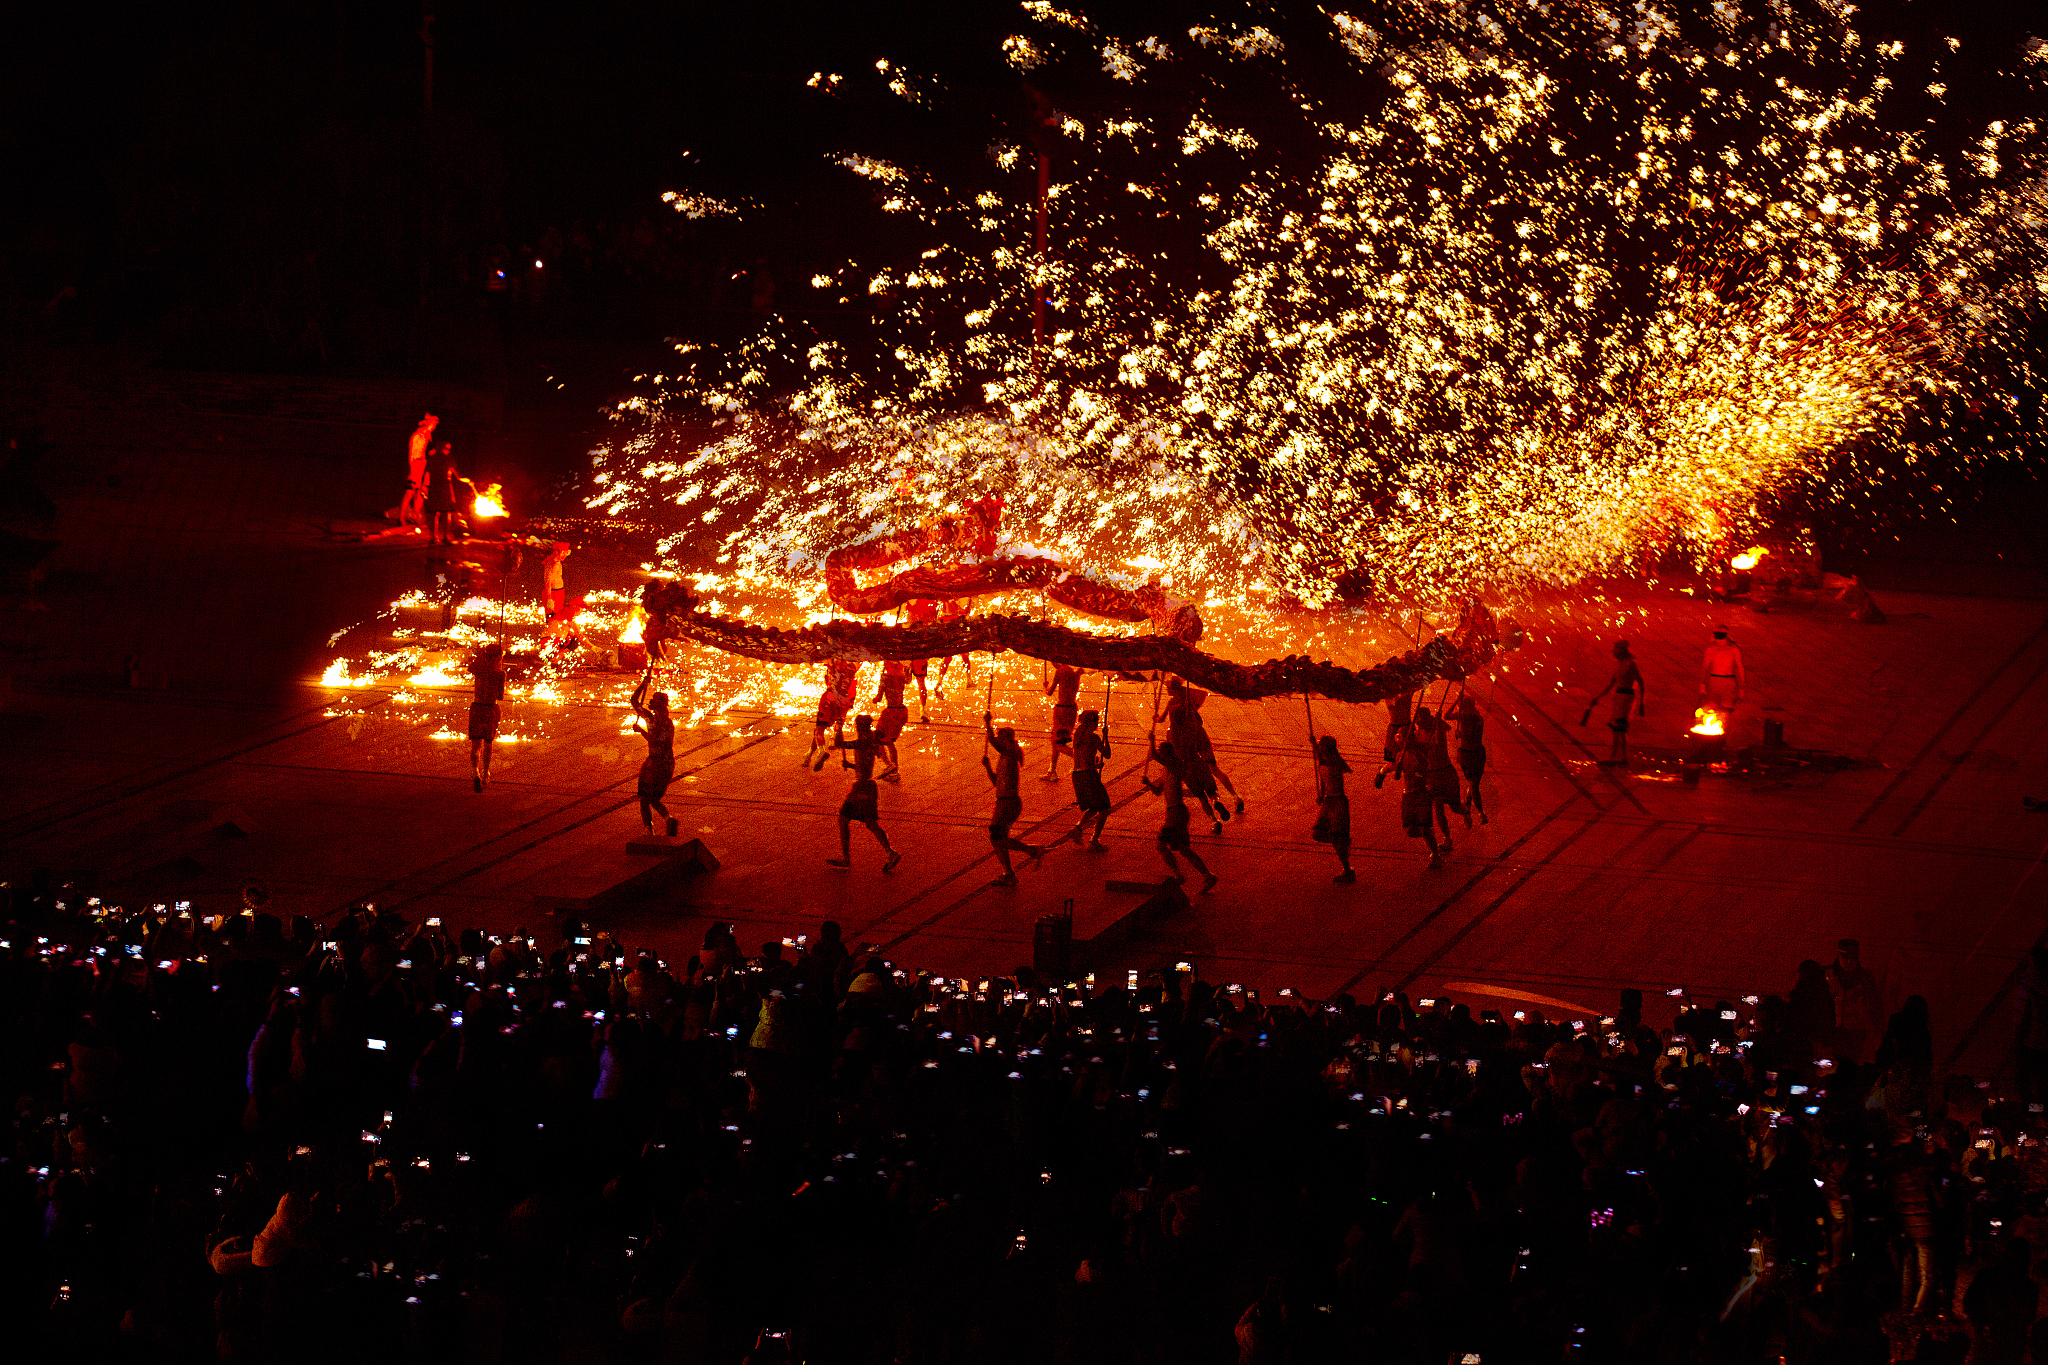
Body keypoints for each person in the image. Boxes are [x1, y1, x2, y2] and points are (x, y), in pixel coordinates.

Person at [825, 714, 902, 873]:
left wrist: (838, 725)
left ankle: (849, 857)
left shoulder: (863, 741)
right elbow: (865, 763)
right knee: (865, 822)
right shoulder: (870, 740)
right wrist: (852, 765)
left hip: (862, 788)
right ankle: (888, 852)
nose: (855, 728)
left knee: (847, 820)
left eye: (857, 725)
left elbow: (840, 744)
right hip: (866, 786)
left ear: (861, 726)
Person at [982, 712, 1045, 884]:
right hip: (1003, 802)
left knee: (998, 837)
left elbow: (993, 742)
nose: (998, 740)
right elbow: (997, 782)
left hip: (1009, 804)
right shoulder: (1004, 756)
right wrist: (988, 768)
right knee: (997, 838)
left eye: (1001, 737)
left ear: (1007, 740)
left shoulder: (1010, 752)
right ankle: (1009, 871)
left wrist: (987, 723)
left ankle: (1030, 852)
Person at [1149, 737, 1218, 892]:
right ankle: (1207, 875)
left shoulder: (1175, 765)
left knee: (1161, 845)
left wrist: (1151, 741)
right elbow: (1158, 791)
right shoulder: (1166, 770)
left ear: (1168, 755)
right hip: (1173, 812)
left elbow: (1154, 755)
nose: (1160, 756)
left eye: (1162, 753)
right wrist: (1148, 784)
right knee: (1184, 849)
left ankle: (1178, 874)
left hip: (1177, 813)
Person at [631, 670, 678, 837]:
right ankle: (668, 818)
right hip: (668, 764)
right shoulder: (669, 722)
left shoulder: (650, 719)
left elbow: (634, 701)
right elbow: (662, 740)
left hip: (654, 764)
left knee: (644, 799)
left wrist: (643, 685)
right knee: (655, 798)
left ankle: (649, 832)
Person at [1584, 640, 1645, 767]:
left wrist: (1641, 703)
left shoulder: (1630, 665)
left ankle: (1616, 758)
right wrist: (1597, 697)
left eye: (1615, 649)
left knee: (1619, 729)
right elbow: (1611, 684)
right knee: (1617, 729)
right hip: (1619, 697)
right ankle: (1621, 758)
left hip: (1626, 698)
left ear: (1621, 651)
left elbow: (1640, 682)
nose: (1613, 651)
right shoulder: (1619, 665)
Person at [1059, 710, 1113, 850]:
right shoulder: (1093, 738)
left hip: (1077, 775)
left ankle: (1078, 829)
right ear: (1092, 722)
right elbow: (1107, 754)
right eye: (1097, 721)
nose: (1097, 724)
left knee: (1094, 807)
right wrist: (1106, 737)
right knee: (1104, 807)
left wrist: (1095, 765)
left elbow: (1083, 757)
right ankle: (1094, 840)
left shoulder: (1078, 736)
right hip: (1089, 775)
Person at [1395, 720, 1443, 869]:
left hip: (1421, 794)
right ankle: (1429, 834)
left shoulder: (1420, 754)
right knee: (1410, 829)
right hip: (1408, 794)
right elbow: (1397, 776)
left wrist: (1415, 773)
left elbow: (1423, 773)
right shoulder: (1400, 755)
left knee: (1424, 828)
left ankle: (1435, 854)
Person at [1825, 938, 1883, 1063]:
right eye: (1845, 958)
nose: (1849, 962)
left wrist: (1878, 1035)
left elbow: (1876, 1008)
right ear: (1838, 955)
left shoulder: (1866, 979)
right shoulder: (1826, 975)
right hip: (1830, 1034)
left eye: (1853, 958)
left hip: (1856, 1036)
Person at [1312, 734, 1355, 883]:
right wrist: (1322, 794)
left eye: (1322, 746)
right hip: (1329, 801)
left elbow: (1332, 765)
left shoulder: (1334, 762)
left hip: (1338, 802)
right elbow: (1324, 779)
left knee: (1337, 838)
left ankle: (1347, 868)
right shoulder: (1324, 760)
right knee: (1317, 833)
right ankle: (1342, 841)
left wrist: (1315, 747)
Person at [807, 657, 861, 771]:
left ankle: (821, 751)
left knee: (819, 728)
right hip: (844, 699)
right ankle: (835, 736)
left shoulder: (831, 660)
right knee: (836, 724)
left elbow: (816, 659)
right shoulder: (853, 666)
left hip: (830, 696)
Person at [467, 642, 505, 793]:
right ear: (498, 658)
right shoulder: (500, 674)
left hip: (477, 707)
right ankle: (485, 772)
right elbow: (500, 696)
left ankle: (474, 770)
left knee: (476, 745)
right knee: (488, 743)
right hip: (491, 708)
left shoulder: (478, 670)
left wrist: (483, 656)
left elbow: (471, 666)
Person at [870, 660, 911, 781]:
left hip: (890, 712)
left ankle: (889, 765)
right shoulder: (902, 676)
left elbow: (878, 697)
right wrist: (908, 669)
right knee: (890, 742)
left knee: (878, 738)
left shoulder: (885, 677)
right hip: (902, 712)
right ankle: (895, 772)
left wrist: (874, 699)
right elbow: (909, 681)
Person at [1699, 624, 1745, 731]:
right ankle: (1715, 732)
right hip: (1714, 680)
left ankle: (1722, 734)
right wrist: (1702, 684)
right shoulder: (1712, 648)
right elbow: (1705, 667)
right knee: (1712, 708)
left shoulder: (1733, 649)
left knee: (1726, 710)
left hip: (1728, 681)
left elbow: (1740, 668)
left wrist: (1741, 687)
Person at [1042, 663, 1082, 780]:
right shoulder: (1077, 670)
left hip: (1062, 710)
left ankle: (1086, 758)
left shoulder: (1060, 671)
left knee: (1058, 744)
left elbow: (1049, 692)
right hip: (1072, 708)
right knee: (1057, 740)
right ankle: (1052, 770)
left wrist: (1045, 687)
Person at [1454, 693, 1488, 827]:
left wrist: (1460, 734)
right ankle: (1479, 812)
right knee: (1473, 785)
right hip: (1465, 755)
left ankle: (1469, 810)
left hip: (1477, 755)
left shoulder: (1477, 718)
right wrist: (1457, 700)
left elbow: (1472, 735)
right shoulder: (1461, 717)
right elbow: (1446, 716)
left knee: (1473, 785)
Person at [423, 440, 466, 545]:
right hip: (444, 487)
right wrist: (468, 480)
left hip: (433, 487)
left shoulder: (431, 459)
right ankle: (445, 537)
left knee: (434, 513)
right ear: (442, 448)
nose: (448, 451)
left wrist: (424, 487)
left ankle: (433, 537)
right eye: (446, 449)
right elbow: (458, 476)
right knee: (446, 512)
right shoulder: (448, 459)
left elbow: (427, 473)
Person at [902, 598, 938, 719]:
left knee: (918, 682)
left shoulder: (914, 601)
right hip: (914, 652)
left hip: (914, 652)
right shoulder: (926, 602)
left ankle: (923, 709)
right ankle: (923, 709)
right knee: (918, 682)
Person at [401, 412, 438, 526]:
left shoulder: (427, 436)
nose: (434, 427)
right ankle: (402, 517)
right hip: (416, 465)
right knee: (410, 492)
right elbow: (413, 454)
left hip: (422, 465)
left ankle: (415, 516)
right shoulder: (418, 436)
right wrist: (412, 469)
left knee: (421, 493)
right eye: (433, 425)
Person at [1375, 689, 1414, 789]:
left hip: (1406, 727)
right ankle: (1381, 772)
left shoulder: (1407, 692)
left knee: (1411, 758)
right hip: (1394, 728)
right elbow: (1391, 704)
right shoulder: (1390, 695)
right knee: (1392, 763)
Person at [937, 596, 974, 696]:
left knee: (949, 658)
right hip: (956, 629)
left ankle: (940, 681)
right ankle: (968, 679)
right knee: (964, 656)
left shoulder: (947, 599)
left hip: (951, 629)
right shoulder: (950, 599)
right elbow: (962, 612)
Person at [542, 542, 573, 621]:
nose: (564, 556)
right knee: (554, 618)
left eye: (565, 553)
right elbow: (548, 581)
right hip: (554, 593)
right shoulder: (553, 564)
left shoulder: (554, 561)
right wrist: (549, 598)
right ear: (556, 552)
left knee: (556, 616)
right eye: (562, 553)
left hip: (557, 592)